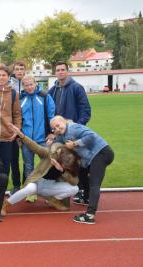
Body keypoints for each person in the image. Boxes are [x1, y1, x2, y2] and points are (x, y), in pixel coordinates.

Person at [2, 123, 80, 215]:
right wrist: (21, 134)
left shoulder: (72, 161)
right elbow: (35, 147)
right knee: (29, 189)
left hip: (51, 186)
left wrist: (62, 170)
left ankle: (53, 200)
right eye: (63, 164)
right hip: (37, 182)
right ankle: (5, 205)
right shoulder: (50, 154)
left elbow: (75, 181)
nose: (65, 166)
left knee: (75, 189)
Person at [49, 116, 114, 224]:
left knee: (94, 183)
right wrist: (51, 140)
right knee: (82, 171)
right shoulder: (62, 135)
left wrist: (74, 144)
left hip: (102, 153)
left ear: (64, 122)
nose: (57, 129)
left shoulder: (74, 128)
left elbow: (91, 136)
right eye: (54, 128)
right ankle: (86, 197)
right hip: (91, 158)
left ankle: (90, 215)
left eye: (58, 125)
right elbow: (57, 143)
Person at [48, 62, 92, 206]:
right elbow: (50, 113)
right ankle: (70, 192)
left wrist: (76, 127)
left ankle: (87, 193)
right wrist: (52, 132)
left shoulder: (76, 88)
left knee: (81, 164)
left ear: (68, 71)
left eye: (63, 70)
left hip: (75, 135)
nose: (60, 72)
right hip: (59, 135)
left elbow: (86, 111)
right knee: (63, 163)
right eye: (58, 70)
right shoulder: (53, 90)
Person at [0, 64, 22, 193]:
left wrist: (17, 130)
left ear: (9, 77)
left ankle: (1, 190)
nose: (1, 77)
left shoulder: (14, 94)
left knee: (5, 166)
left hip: (7, 137)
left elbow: (17, 114)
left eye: (4, 75)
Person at [20, 75, 55, 183]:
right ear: (23, 86)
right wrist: (19, 136)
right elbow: (18, 119)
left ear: (35, 83)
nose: (29, 87)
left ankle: (49, 191)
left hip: (43, 139)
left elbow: (51, 116)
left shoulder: (45, 96)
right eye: (26, 85)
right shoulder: (20, 99)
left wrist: (52, 132)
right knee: (28, 166)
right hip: (27, 140)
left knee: (48, 164)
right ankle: (30, 191)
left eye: (31, 84)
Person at [9, 61, 27, 198]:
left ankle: (28, 186)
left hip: (27, 128)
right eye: (17, 69)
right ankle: (16, 185)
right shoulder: (9, 86)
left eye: (22, 69)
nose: (19, 71)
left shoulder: (29, 84)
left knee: (28, 160)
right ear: (13, 71)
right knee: (13, 159)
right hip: (13, 127)